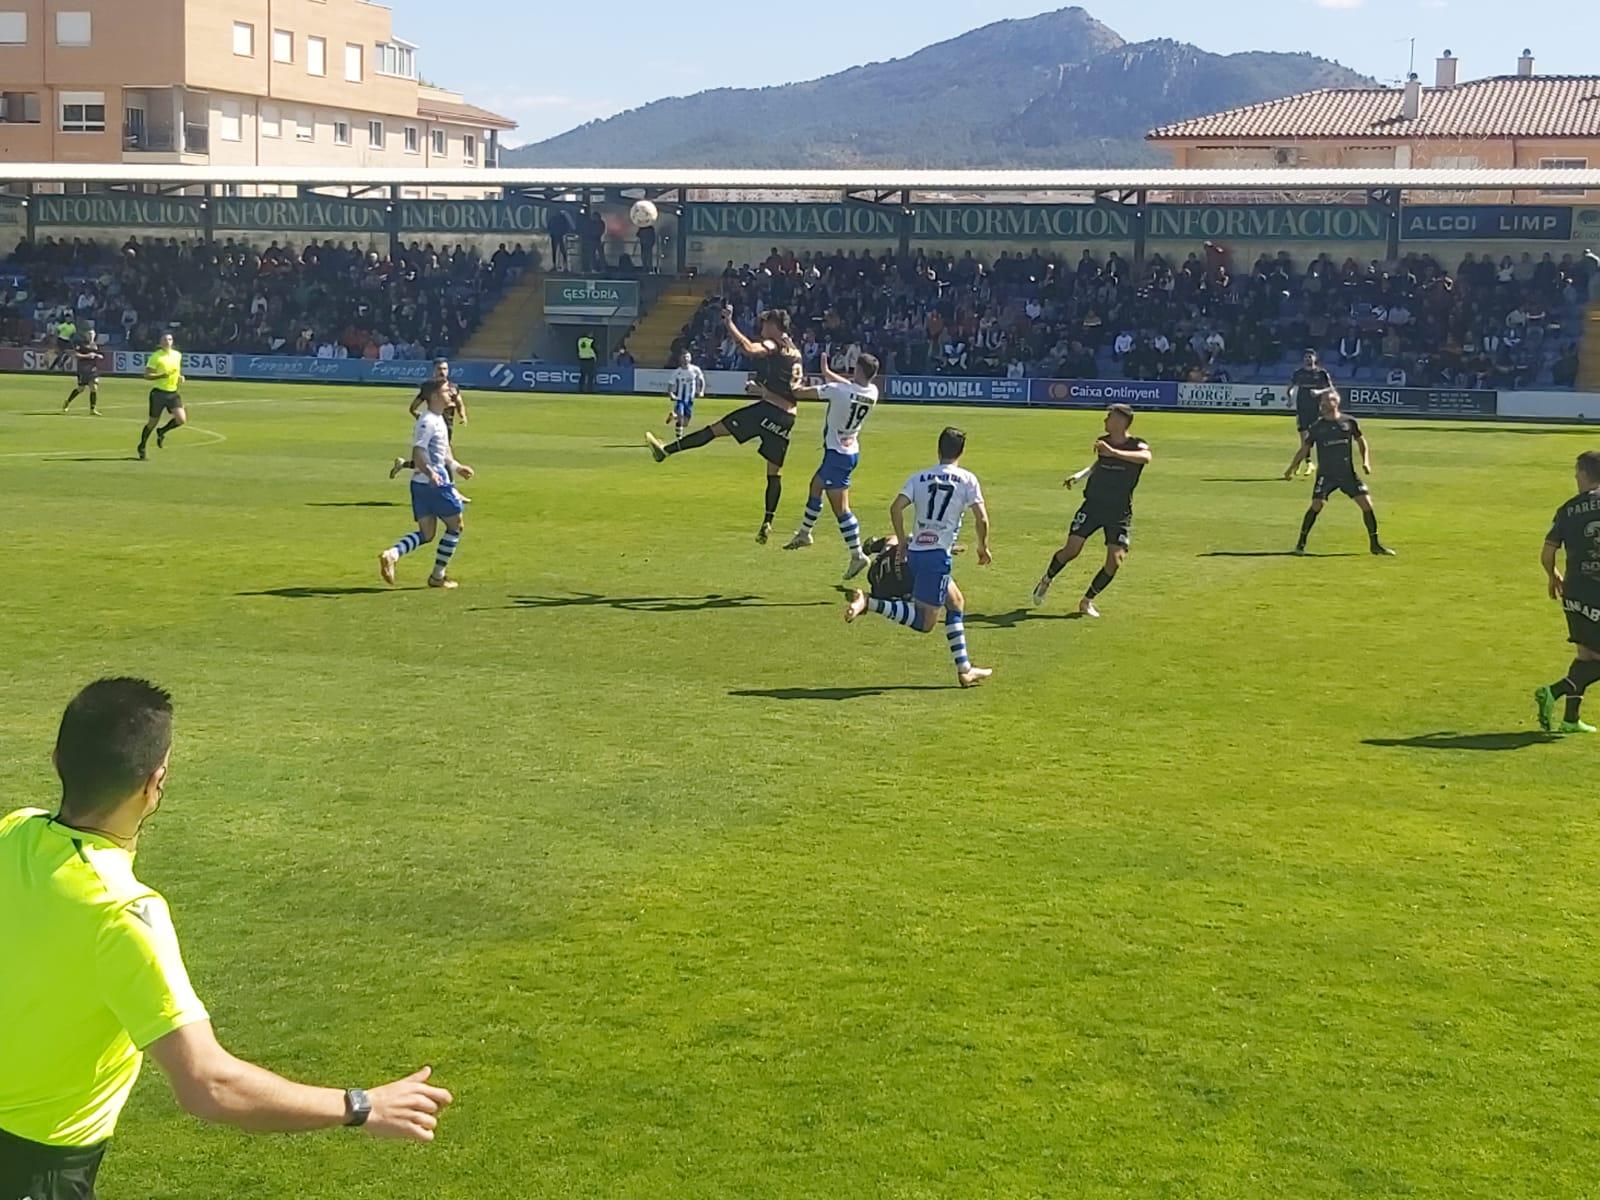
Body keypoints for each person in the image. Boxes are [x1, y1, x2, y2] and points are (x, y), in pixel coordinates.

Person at [0, 679, 454, 1200]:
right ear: (155, 783)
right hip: (36, 1175)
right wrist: (360, 1104)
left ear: (57, 760)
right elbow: (208, 1084)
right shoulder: (124, 914)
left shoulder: (14, 832)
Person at [844, 426, 993, 688]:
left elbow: (896, 508)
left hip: (916, 552)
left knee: (956, 602)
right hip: (936, 559)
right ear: (962, 452)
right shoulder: (968, 479)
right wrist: (982, 547)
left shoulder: (920, 477)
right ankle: (870, 603)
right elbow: (981, 518)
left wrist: (902, 541)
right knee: (925, 623)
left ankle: (965, 670)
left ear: (938, 449)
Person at [646, 307, 803, 545]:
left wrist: (729, 323)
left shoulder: (774, 344)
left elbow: (750, 349)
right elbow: (788, 387)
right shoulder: (795, 351)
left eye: (764, 324)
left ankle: (666, 451)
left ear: (774, 325)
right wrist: (761, 390)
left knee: (714, 430)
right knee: (774, 473)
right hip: (787, 418)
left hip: (767, 412)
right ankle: (767, 521)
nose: (761, 329)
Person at [1031, 404, 1153, 618]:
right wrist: (1080, 475)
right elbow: (1099, 463)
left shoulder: (1137, 444)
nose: (1105, 420)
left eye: (1109, 416)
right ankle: (1047, 579)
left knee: (1114, 561)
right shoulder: (1103, 440)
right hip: (1093, 505)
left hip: (1119, 511)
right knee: (1072, 550)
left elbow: (1146, 458)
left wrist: (1114, 452)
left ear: (1121, 421)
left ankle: (1087, 601)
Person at [782, 352, 881, 580]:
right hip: (850, 450)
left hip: (837, 455)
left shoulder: (839, 391)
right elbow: (849, 387)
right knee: (815, 485)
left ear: (857, 369)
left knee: (841, 510)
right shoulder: (872, 392)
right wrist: (827, 373)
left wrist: (792, 380)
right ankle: (805, 533)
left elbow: (799, 393)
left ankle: (857, 555)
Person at [379, 381, 475, 590]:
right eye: (445, 390)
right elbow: (418, 452)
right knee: (455, 526)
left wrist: (456, 466)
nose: (450, 393)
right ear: (433, 396)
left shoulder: (438, 419)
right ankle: (437, 576)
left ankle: (392, 554)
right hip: (434, 483)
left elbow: (444, 449)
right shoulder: (428, 421)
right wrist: (431, 473)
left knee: (427, 533)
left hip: (420, 485)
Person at [1533, 450, 1600, 734]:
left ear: (1585, 474)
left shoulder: (1566, 509)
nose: (1574, 476)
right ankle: (1553, 691)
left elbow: (1547, 553)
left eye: (1576, 472)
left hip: (1573, 590)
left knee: (1586, 656)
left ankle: (1571, 719)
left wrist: (1553, 576)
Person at [1284, 391, 1396, 557]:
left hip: (1347, 474)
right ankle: (1300, 544)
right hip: (1326, 475)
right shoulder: (1317, 426)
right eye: (1322, 401)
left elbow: (1361, 441)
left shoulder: (1349, 422)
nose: (1323, 404)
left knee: (1366, 504)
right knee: (1317, 505)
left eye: (1326, 400)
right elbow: (1305, 449)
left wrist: (1366, 461)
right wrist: (1291, 467)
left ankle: (1375, 545)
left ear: (1335, 402)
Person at [1286, 349, 1335, 478]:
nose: (1308, 359)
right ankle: (1307, 462)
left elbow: (1331, 388)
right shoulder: (1298, 373)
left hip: (1316, 409)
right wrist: (1290, 397)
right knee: (1303, 438)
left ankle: (1307, 463)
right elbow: (1290, 388)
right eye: (1306, 357)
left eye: (1310, 357)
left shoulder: (1321, 373)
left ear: (1315, 358)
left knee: (1313, 438)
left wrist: (1318, 392)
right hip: (1302, 409)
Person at [137, 334, 185, 461]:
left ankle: (162, 431)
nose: (167, 342)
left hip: (173, 393)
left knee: (181, 419)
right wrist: (161, 376)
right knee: (152, 423)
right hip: (158, 393)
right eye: (164, 339)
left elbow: (176, 370)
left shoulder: (177, 355)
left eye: (169, 339)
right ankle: (142, 446)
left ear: (172, 341)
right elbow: (146, 375)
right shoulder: (156, 356)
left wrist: (180, 376)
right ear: (160, 342)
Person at [663, 349, 706, 442]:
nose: (686, 359)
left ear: (690, 358)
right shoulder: (677, 372)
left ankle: (674, 416)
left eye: (687, 357)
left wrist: (701, 391)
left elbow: (701, 380)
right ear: (680, 359)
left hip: (690, 399)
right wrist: (671, 394)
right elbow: (670, 384)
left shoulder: (695, 369)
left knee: (685, 423)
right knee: (681, 416)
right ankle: (679, 438)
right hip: (680, 398)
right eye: (684, 357)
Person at [63, 334, 105, 416]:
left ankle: (92, 409)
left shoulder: (94, 345)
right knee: (80, 389)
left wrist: (99, 356)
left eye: (92, 334)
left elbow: (98, 354)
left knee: (94, 387)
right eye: (89, 334)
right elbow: (76, 355)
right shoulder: (81, 345)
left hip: (92, 370)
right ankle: (67, 402)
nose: (91, 336)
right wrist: (87, 356)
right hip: (83, 370)